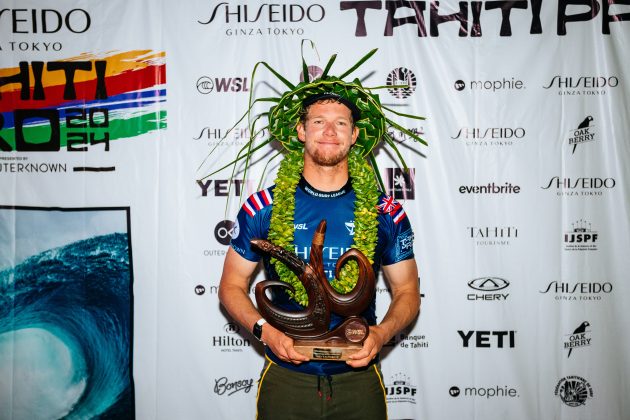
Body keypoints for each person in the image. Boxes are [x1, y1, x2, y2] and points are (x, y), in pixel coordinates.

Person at [218, 91, 421, 419]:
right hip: (287, 380)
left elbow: (408, 292)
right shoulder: (263, 208)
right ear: (301, 131)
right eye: (318, 122)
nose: (330, 131)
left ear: (354, 135)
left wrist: (381, 334)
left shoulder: (386, 211)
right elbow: (231, 286)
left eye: (341, 123)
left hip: (358, 380)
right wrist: (265, 332)